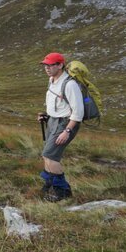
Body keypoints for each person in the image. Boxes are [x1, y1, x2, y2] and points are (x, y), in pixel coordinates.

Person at [37, 52, 83, 202]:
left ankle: (63, 191)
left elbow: (78, 112)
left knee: (50, 155)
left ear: (60, 65)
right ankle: (50, 184)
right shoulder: (52, 80)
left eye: (51, 65)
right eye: (45, 65)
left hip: (65, 123)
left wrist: (67, 131)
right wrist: (46, 115)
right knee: (46, 155)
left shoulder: (70, 84)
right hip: (53, 121)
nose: (47, 68)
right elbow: (57, 103)